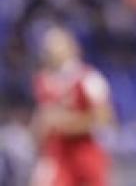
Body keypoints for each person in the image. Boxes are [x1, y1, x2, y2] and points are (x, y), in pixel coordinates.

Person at [30, 27, 113, 186]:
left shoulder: (89, 78)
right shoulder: (43, 81)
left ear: (72, 47)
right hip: (57, 154)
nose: (52, 51)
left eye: (57, 45)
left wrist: (66, 123)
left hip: (85, 152)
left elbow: (104, 118)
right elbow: (42, 118)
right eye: (49, 47)